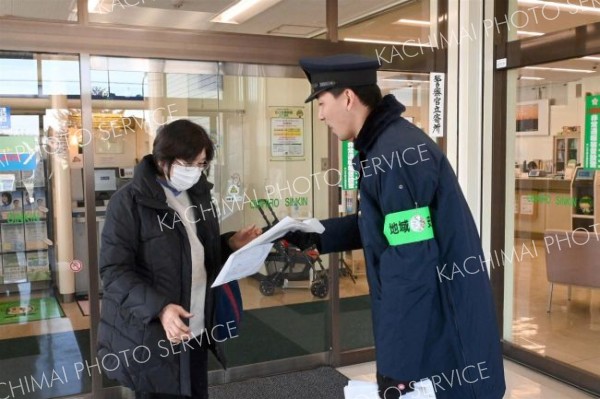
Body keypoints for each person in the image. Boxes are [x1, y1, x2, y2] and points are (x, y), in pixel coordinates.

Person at [286, 54, 506, 399]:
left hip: (442, 325)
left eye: (323, 103)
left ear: (347, 98)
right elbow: (386, 225)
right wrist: (318, 234)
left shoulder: (395, 155)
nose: (320, 114)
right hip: (432, 322)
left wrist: (397, 368)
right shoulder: (385, 146)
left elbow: (409, 262)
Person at [97, 119, 261, 399]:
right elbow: (113, 272)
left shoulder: (198, 195)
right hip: (153, 333)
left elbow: (196, 252)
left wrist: (230, 244)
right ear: (163, 159)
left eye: (202, 164)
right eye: (189, 164)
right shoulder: (128, 202)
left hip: (195, 325)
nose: (196, 171)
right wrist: (161, 308)